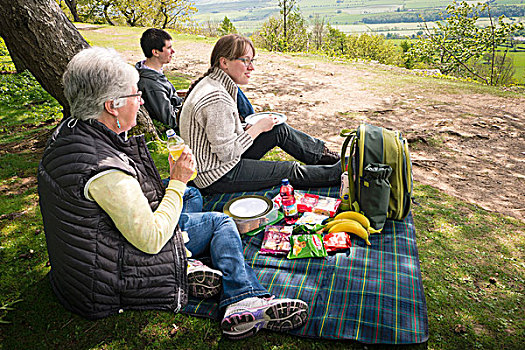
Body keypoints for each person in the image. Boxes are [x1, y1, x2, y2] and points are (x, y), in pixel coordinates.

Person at [38, 47, 308, 339]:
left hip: (82, 265)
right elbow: (152, 240)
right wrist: (177, 181)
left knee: (191, 196)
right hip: (109, 277)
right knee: (221, 222)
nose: (141, 101)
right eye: (134, 95)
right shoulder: (105, 171)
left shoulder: (71, 134)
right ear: (111, 105)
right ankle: (242, 300)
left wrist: (179, 186)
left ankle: (189, 263)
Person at [179, 34, 341, 194]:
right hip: (217, 175)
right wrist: (256, 129)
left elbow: (217, 132)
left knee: (278, 129)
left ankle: (326, 157)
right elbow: (226, 153)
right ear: (224, 62)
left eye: (252, 61)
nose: (251, 67)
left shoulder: (213, 84)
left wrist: (248, 127)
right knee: (288, 170)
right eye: (245, 60)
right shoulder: (216, 97)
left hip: (220, 161)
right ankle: (338, 173)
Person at [135, 28, 183, 130]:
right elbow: (171, 120)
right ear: (156, 52)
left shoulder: (153, 74)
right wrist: (188, 105)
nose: (173, 51)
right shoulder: (151, 85)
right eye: (169, 48)